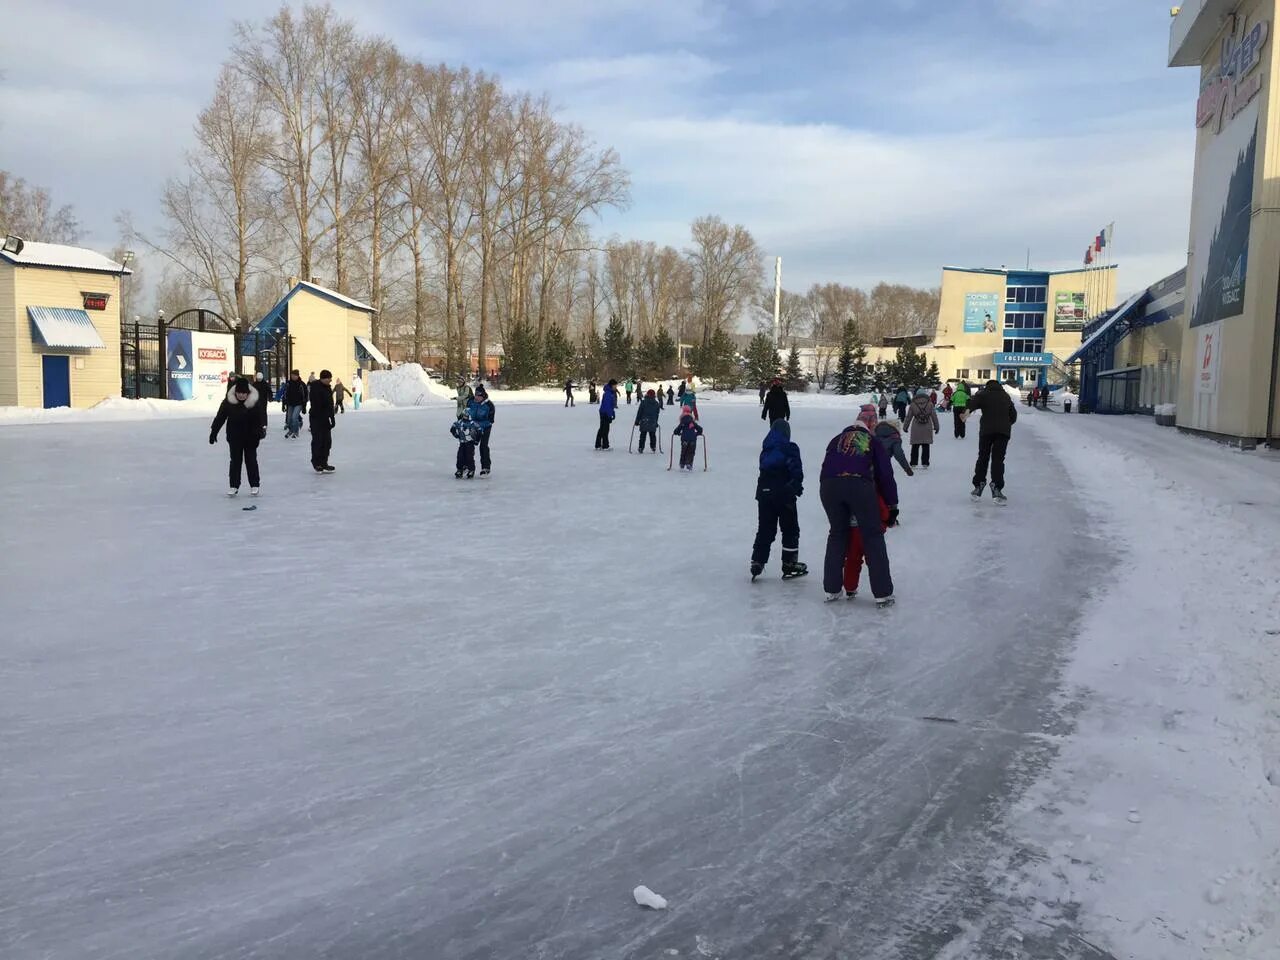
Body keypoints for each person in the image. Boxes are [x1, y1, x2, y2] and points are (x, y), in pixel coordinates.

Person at [818, 404, 898, 605]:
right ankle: (882, 593)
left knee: (837, 534)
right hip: (858, 485)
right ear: (871, 425)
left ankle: (832, 589)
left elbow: (827, 465)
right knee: (872, 535)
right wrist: (892, 504)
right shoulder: (872, 440)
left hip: (828, 486)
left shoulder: (836, 439)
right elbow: (885, 474)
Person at [750, 419, 807, 581]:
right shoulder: (790, 448)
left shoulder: (766, 450)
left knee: (765, 528)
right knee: (790, 529)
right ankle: (789, 564)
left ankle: (758, 560)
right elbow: (796, 470)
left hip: (763, 492)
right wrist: (796, 487)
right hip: (783, 493)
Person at [209, 376, 268, 496]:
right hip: (234, 436)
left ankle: (254, 484)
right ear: (235, 392)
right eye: (239, 393)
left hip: (251, 436)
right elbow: (220, 417)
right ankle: (234, 486)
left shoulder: (254, 402)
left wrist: (260, 432)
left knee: (251, 460)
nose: (241, 395)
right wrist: (214, 432)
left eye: (244, 393)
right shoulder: (229, 401)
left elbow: (261, 418)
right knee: (235, 461)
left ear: (248, 392)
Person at [966, 379, 1017, 503]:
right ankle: (996, 487)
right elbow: (1013, 416)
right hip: (1003, 433)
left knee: (983, 457)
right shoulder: (1005, 396)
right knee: (998, 460)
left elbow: (973, 402)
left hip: (986, 432)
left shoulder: (983, 394)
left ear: (987, 386)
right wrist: (1005, 424)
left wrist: (967, 411)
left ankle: (979, 485)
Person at [843, 481, 892, 599]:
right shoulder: (872, 492)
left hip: (853, 531)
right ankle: (882, 593)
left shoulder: (848, 494)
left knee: (852, 560)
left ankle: (850, 587)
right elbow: (884, 513)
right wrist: (885, 521)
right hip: (871, 532)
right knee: (875, 561)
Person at [903, 387, 940, 469]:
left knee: (915, 446)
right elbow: (934, 416)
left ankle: (913, 463)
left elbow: (908, 417)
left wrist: (905, 427)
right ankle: (925, 463)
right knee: (926, 445)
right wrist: (936, 427)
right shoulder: (930, 404)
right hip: (927, 427)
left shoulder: (913, 404)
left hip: (916, 427)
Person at [308, 369, 336, 473]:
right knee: (318, 441)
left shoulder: (328, 388)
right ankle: (317, 463)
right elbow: (317, 404)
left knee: (327, 442)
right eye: (329, 378)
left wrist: (332, 418)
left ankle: (324, 462)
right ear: (323, 378)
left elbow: (330, 403)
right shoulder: (315, 387)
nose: (330, 380)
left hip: (325, 418)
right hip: (316, 418)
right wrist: (323, 414)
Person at [467, 385, 495, 476]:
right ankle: (466, 466)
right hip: (473, 426)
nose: (476, 397)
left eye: (479, 396)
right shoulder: (470, 402)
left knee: (483, 446)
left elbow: (490, 421)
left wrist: (479, 425)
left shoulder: (489, 405)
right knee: (467, 445)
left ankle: (485, 467)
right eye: (475, 395)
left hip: (485, 427)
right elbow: (466, 413)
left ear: (483, 396)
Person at [450, 410, 481, 479]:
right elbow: (452, 428)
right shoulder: (459, 422)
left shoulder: (473, 423)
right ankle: (460, 469)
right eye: (464, 415)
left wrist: (476, 441)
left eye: (467, 416)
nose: (465, 417)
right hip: (462, 443)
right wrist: (456, 434)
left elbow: (479, 431)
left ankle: (471, 470)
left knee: (469, 457)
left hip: (470, 443)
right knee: (460, 456)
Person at [673, 405, 704, 470]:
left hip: (684, 439)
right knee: (691, 451)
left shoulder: (682, 422)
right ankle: (689, 463)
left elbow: (676, 430)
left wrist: (678, 433)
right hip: (692, 439)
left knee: (684, 451)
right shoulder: (692, 422)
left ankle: (682, 463)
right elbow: (700, 429)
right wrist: (696, 434)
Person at [282, 369, 307, 439]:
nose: (293, 377)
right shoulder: (288, 383)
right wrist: (284, 404)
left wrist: (304, 407)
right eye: (292, 375)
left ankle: (296, 432)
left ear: (297, 376)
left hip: (298, 404)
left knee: (294, 417)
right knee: (289, 419)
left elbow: (305, 395)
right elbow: (285, 394)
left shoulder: (301, 384)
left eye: (294, 375)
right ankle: (291, 430)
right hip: (290, 403)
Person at [634, 388, 661, 453]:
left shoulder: (643, 402)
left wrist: (637, 421)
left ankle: (641, 447)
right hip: (652, 421)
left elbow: (639, 412)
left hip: (644, 421)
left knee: (643, 435)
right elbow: (657, 414)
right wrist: (656, 422)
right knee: (652, 435)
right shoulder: (656, 403)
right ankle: (653, 446)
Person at [596, 379, 619, 449]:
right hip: (605, 413)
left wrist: (613, 413)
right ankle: (605, 445)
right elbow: (607, 406)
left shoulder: (609, 392)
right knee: (605, 429)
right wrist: (609, 415)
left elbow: (611, 406)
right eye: (615, 385)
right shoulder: (608, 393)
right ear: (612, 385)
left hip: (604, 412)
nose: (616, 387)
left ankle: (598, 444)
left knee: (602, 429)